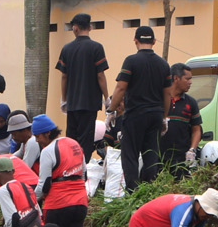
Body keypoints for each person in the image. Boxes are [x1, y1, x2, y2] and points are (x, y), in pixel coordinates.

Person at [108, 25, 172, 187]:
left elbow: (121, 87)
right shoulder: (163, 64)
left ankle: (132, 193)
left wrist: (111, 109)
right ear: (154, 41)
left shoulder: (131, 61)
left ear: (135, 41)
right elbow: (167, 94)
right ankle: (148, 191)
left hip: (135, 114)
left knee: (130, 155)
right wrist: (164, 117)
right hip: (156, 114)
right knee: (151, 154)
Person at [55, 12, 109, 159]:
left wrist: (64, 98)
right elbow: (100, 75)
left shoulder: (67, 49)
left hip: (72, 103)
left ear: (75, 28)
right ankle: (83, 171)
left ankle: (70, 167)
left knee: (71, 139)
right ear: (90, 27)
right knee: (86, 141)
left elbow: (64, 76)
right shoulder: (97, 48)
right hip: (90, 103)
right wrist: (106, 97)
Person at [160, 62, 203, 176]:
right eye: (187, 79)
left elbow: (196, 129)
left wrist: (192, 150)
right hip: (158, 156)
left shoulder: (191, 102)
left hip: (181, 158)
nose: (190, 82)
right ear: (176, 78)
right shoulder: (159, 99)